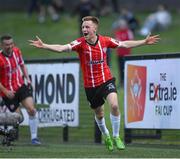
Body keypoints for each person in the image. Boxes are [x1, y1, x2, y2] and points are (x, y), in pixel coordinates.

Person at [29, 16, 160, 151]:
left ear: (95, 28)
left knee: (114, 105)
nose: (84, 29)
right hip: (90, 86)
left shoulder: (105, 40)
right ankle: (107, 135)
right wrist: (44, 45)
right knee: (100, 114)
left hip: (106, 80)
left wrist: (144, 42)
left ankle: (116, 136)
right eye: (83, 27)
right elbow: (62, 48)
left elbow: (124, 44)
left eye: (87, 27)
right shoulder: (80, 43)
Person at [0, 35, 41, 145]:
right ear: (2, 45)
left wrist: (28, 80)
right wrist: (5, 92)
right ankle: (7, 136)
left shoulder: (17, 51)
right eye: (7, 45)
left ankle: (34, 138)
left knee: (32, 110)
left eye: (11, 44)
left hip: (20, 86)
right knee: (19, 118)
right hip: (8, 93)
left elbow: (22, 66)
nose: (10, 46)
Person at [112, 19, 134, 86]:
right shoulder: (118, 32)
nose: (122, 26)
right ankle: (121, 82)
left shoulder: (128, 32)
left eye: (123, 24)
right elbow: (116, 42)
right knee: (120, 68)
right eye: (120, 25)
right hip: (119, 54)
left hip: (127, 54)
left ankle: (128, 82)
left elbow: (131, 41)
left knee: (127, 69)